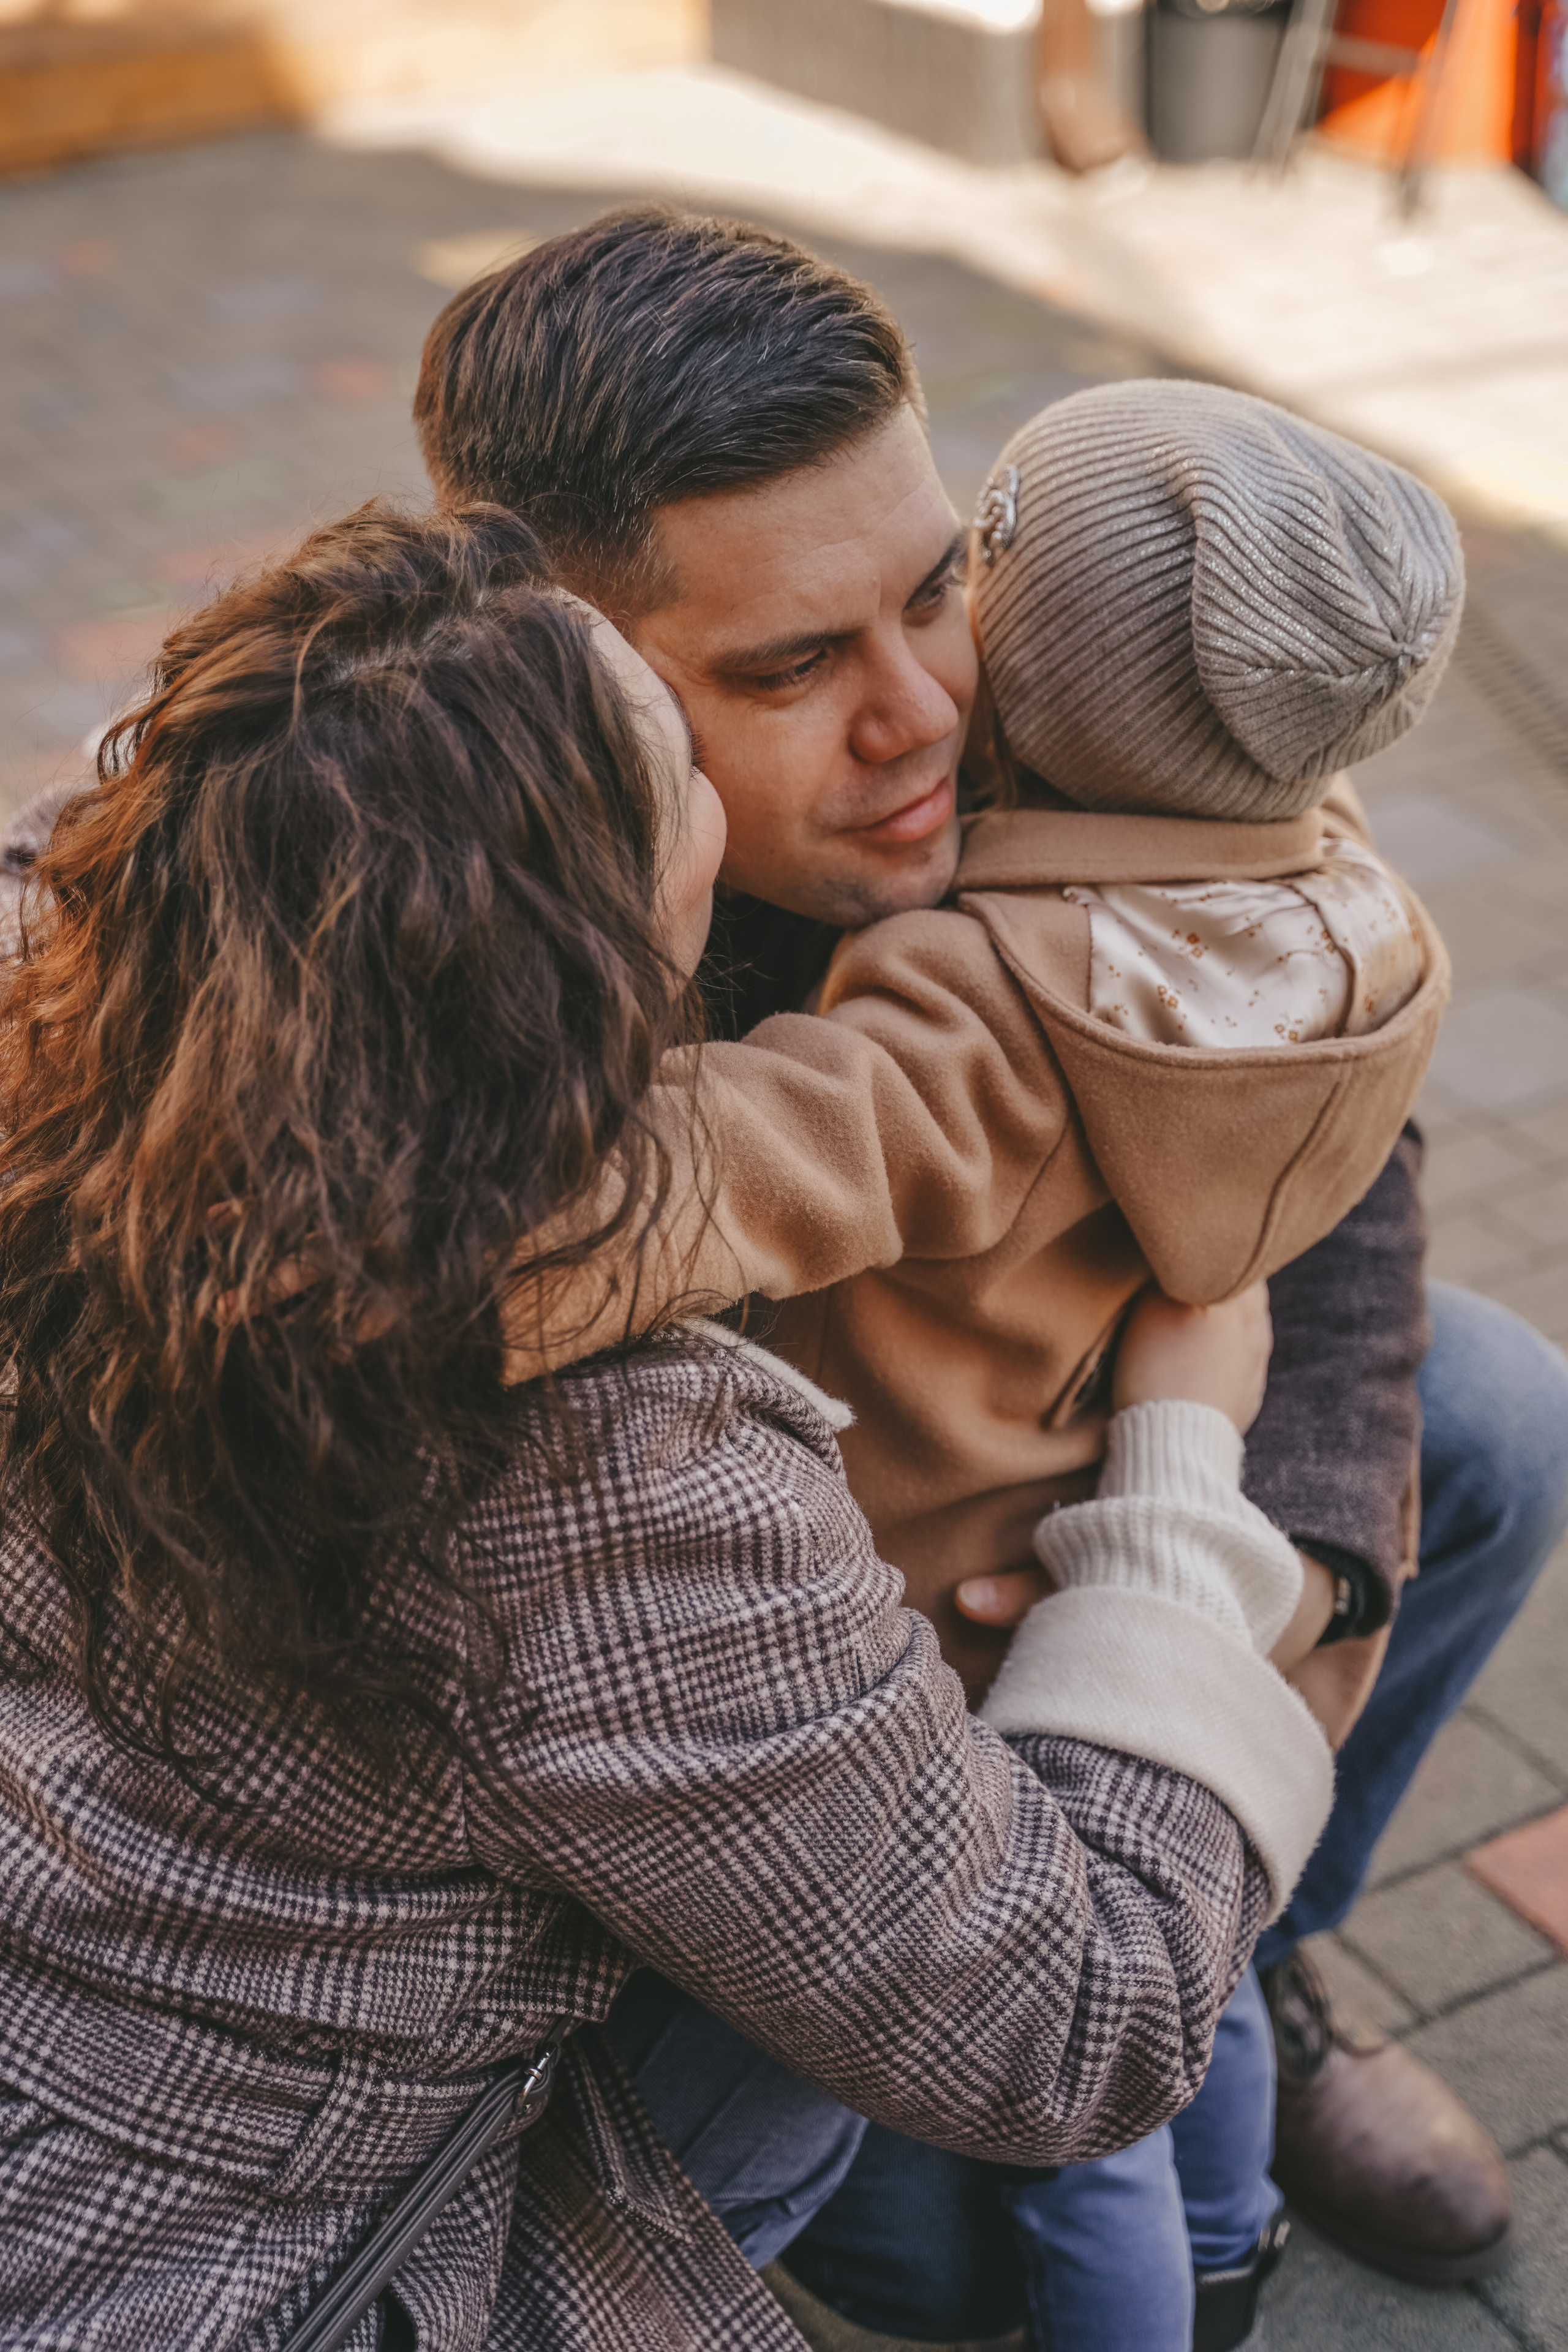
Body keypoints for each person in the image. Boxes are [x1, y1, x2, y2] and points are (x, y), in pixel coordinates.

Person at [0, 501, 1335, 2348]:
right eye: (683, 757)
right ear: (592, 958)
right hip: (239, 2262)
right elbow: (1075, 2028)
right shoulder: (592, 1487)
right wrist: (1181, 1488)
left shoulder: (73, 1037)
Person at [414, 204, 1568, 2310]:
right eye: (790, 668)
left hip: (1060, 1518)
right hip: (762, 1707)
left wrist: (1257, 1598)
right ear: (558, 669)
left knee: (1490, 1413)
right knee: (975, 2246)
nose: (927, 714)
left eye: (937, 586)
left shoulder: (1075, 688)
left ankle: (1254, 1950)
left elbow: (1329, 1139)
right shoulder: (468, 949)